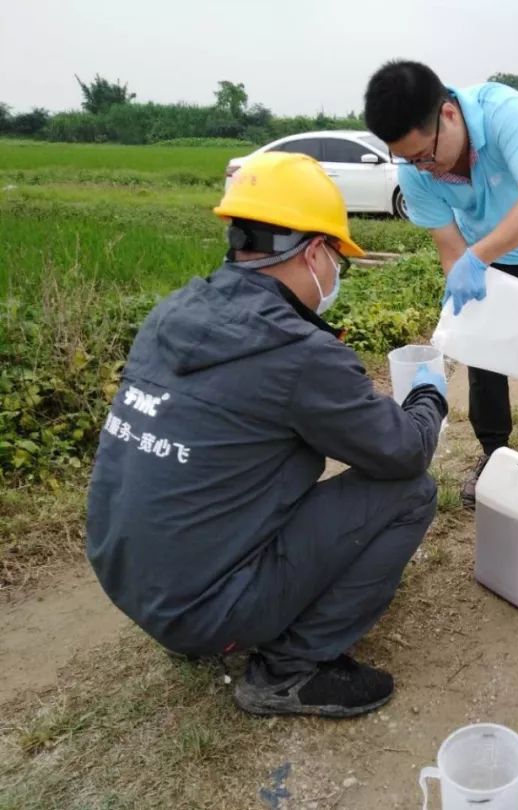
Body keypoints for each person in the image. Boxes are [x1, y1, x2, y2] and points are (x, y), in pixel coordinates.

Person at [86, 152, 449, 718]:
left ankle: (205, 618)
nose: (335, 279)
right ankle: (288, 668)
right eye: (338, 263)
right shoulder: (296, 353)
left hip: (132, 583)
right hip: (201, 608)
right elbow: (402, 451)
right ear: (312, 253)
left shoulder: (172, 314)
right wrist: (429, 398)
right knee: (410, 492)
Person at [364, 61, 518, 509]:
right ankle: (494, 453)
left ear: (447, 114)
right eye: (408, 160)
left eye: (425, 155)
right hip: (486, 258)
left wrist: (477, 257)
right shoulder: (415, 171)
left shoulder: (504, 113)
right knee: (486, 358)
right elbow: (449, 246)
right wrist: (461, 289)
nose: (422, 169)